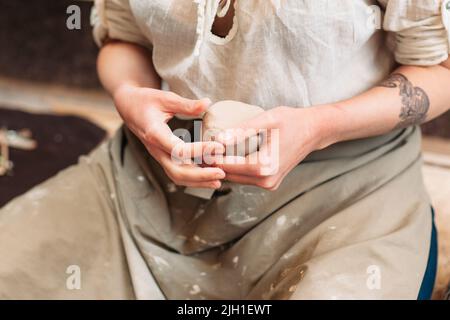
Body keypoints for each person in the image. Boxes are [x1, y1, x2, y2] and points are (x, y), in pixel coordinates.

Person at [1, 0, 449, 299]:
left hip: (344, 187)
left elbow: (441, 69)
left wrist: (319, 126)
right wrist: (130, 95)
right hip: (152, 171)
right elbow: (123, 39)